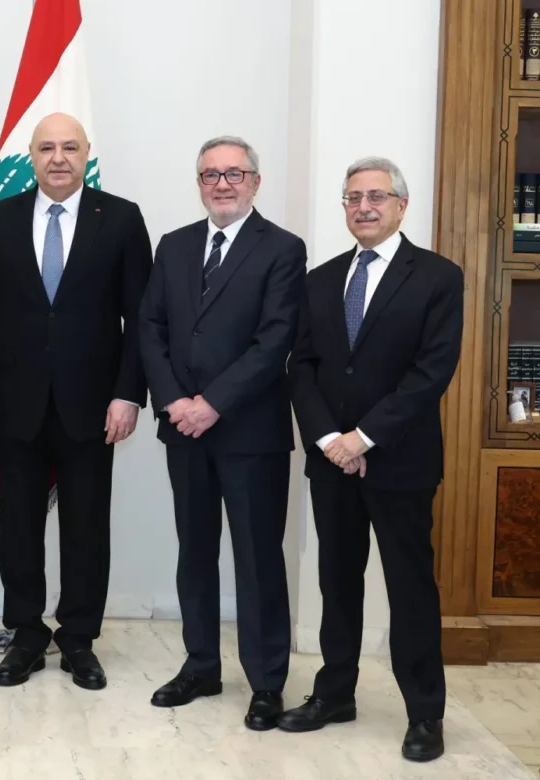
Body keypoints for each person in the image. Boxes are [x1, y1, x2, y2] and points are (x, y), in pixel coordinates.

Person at [0, 112, 153, 690]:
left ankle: (78, 638)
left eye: (70, 147)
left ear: (87, 153)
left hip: (93, 405)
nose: (59, 158)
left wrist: (128, 393)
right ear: (32, 155)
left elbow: (141, 317)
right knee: (18, 525)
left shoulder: (121, 218)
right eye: (47, 148)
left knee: (86, 525)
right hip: (14, 401)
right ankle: (25, 634)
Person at [282, 156, 463, 762]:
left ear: (401, 206)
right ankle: (335, 694)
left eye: (376, 196)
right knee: (337, 581)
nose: (363, 207)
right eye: (353, 197)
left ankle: (425, 714)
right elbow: (302, 366)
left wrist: (363, 438)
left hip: (400, 461)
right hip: (331, 460)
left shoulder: (438, 277)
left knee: (409, 587)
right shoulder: (320, 279)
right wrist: (329, 439)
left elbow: (431, 371)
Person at [139, 136, 306, 730]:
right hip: (183, 430)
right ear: (199, 184)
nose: (222, 184)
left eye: (234, 173)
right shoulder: (175, 245)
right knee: (195, 552)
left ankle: (266, 682)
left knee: (257, 558)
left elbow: (275, 339)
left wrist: (212, 403)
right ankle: (201, 666)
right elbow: (151, 328)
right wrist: (173, 402)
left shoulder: (282, 249)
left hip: (250, 433)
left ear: (255, 182)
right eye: (210, 174)